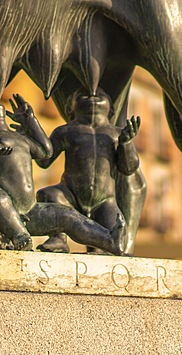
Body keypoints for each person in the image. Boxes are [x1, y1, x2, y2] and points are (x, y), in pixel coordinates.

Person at [0, 95, 124, 254]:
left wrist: (31, 122)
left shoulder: (19, 137)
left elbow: (45, 152)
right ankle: (20, 237)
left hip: (29, 211)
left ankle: (109, 240)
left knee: (68, 215)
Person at [35, 89, 141, 253]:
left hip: (104, 202)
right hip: (70, 196)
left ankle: (100, 247)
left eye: (102, 95)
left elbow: (128, 168)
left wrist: (126, 144)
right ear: (70, 108)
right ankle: (58, 238)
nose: (93, 95)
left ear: (111, 109)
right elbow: (44, 160)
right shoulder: (66, 131)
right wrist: (32, 129)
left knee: (116, 232)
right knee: (49, 195)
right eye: (83, 94)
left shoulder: (117, 134)